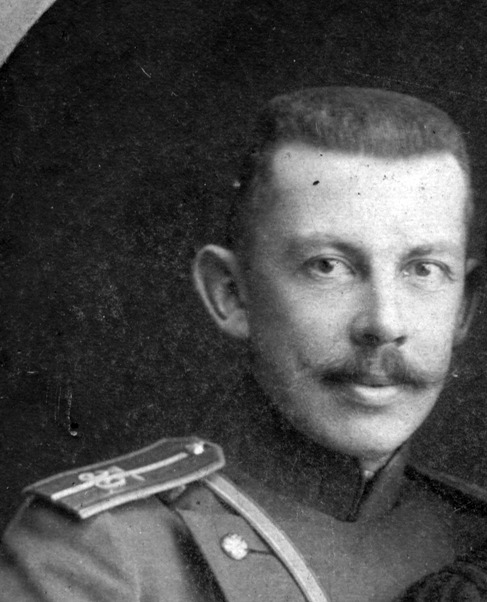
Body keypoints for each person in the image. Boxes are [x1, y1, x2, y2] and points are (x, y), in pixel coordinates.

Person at [1, 86, 487, 601]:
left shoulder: (471, 538)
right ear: (231, 294)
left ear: (463, 306)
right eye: (327, 266)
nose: (384, 323)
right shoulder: (99, 555)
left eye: (424, 270)